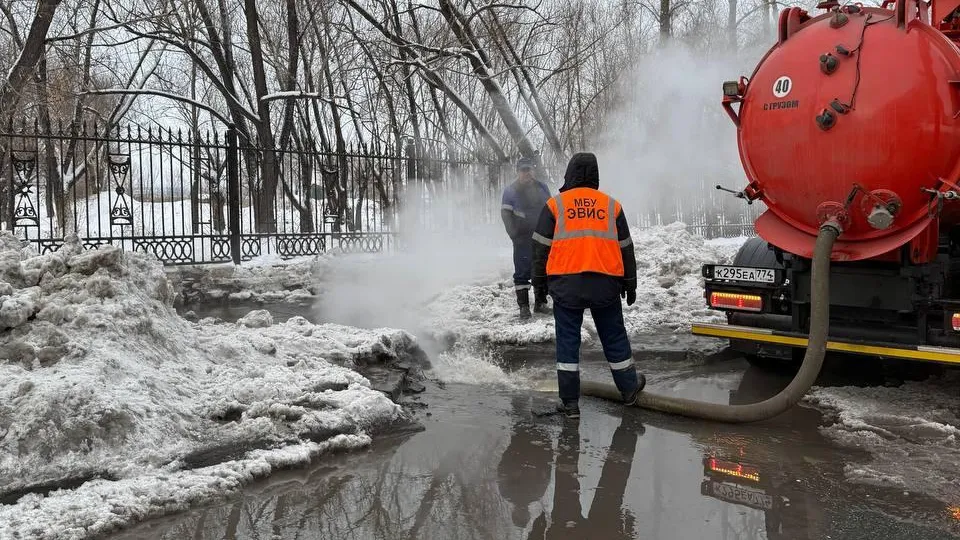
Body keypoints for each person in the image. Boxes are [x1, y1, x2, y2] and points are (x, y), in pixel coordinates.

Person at [531, 152, 645, 419]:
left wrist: (539, 286)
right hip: (605, 284)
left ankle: (570, 404)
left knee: (568, 345)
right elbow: (626, 248)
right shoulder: (611, 206)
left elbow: (539, 249)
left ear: (569, 174)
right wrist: (630, 283)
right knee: (614, 337)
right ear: (595, 175)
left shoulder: (555, 205)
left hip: (565, 286)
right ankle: (629, 390)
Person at [501, 155, 552, 319]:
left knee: (542, 270)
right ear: (518, 172)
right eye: (523, 170)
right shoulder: (510, 190)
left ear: (533, 170)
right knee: (522, 271)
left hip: (542, 238)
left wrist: (552, 232)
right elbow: (505, 214)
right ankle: (523, 306)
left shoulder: (543, 188)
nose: (526, 173)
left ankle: (540, 303)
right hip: (522, 238)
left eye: (529, 170)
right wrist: (513, 234)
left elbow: (552, 210)